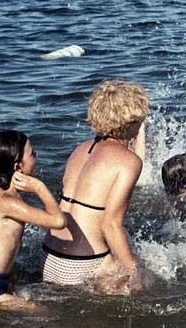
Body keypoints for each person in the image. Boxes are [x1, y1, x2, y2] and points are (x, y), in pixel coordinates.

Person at [43, 79, 148, 292]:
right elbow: (110, 225)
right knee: (151, 279)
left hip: (49, 258)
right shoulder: (129, 161)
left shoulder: (81, 149)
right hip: (81, 265)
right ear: (129, 121)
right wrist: (135, 272)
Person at [0, 130, 66, 309]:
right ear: (18, 167)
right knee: (44, 313)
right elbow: (59, 221)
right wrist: (40, 188)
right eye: (32, 154)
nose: (36, 156)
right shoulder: (5, 202)